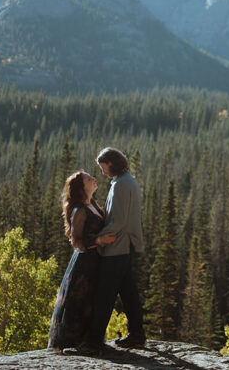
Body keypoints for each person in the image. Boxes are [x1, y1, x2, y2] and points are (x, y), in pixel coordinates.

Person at [73, 147, 146, 354]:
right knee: (128, 292)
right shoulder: (127, 181)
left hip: (116, 246)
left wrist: (98, 239)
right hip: (124, 246)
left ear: (111, 164)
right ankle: (137, 335)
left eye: (103, 167)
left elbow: (119, 221)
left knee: (104, 295)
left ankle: (93, 341)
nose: (102, 172)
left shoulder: (121, 185)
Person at [47, 171, 116, 351]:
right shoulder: (79, 210)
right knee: (79, 302)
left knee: (92, 302)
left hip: (96, 262)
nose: (93, 179)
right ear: (81, 187)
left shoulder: (92, 204)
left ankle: (90, 341)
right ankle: (73, 344)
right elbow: (76, 241)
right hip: (84, 264)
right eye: (88, 178)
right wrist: (100, 241)